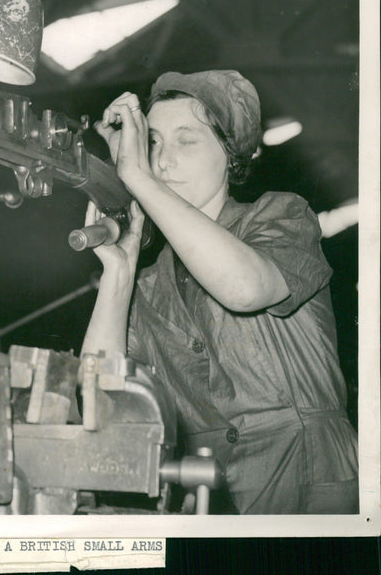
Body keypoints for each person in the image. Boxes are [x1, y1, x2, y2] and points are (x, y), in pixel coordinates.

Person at [80, 69, 359, 514]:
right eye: (152, 142)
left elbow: (245, 288)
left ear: (231, 158)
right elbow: (102, 396)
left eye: (186, 140)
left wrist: (140, 178)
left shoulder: (281, 218)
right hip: (216, 502)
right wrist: (120, 269)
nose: (163, 160)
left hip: (311, 491)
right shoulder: (151, 285)